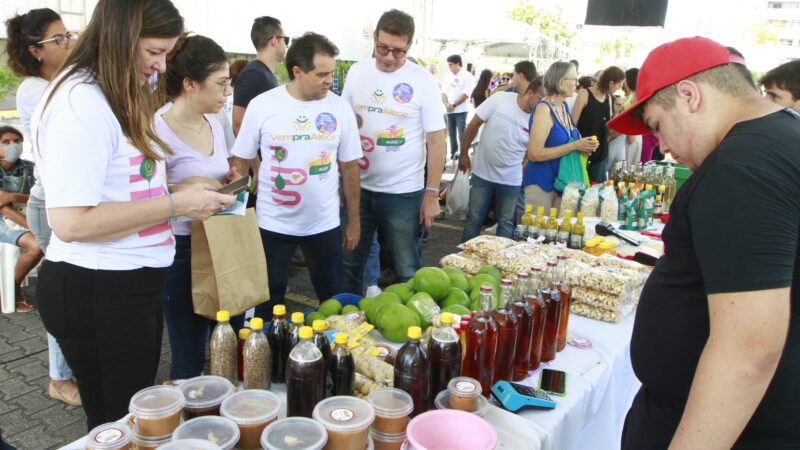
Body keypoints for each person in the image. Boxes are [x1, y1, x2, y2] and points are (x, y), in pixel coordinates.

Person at [33, 0, 234, 429]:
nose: (161, 67)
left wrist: (180, 188)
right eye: (155, 52)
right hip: (98, 289)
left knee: (128, 420)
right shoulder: (81, 102)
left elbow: (121, 185)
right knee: (120, 425)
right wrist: (176, 204)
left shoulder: (114, 90)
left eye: (167, 53)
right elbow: (71, 222)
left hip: (127, 287)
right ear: (122, 36)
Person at [608, 36, 800, 449]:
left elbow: (748, 349)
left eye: (657, 125)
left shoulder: (742, 168)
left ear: (690, 95)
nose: (663, 148)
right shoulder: (778, 139)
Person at [231, 32, 362, 317]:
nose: (330, 80)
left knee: (333, 298)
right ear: (297, 72)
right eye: (322, 74)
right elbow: (240, 161)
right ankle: (265, 355)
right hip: (272, 224)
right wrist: (235, 217)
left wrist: (353, 221)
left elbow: (350, 167)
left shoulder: (339, 109)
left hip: (323, 224)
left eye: (331, 72)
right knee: (267, 300)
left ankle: (333, 355)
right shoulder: (263, 105)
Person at [5, 7, 81, 406]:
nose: (69, 43)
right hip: (51, 203)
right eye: (60, 39)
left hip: (71, 200)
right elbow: (63, 138)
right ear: (36, 50)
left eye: (68, 35)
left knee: (78, 291)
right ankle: (59, 377)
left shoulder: (65, 80)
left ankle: (75, 365)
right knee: (61, 292)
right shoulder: (35, 89)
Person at [341, 9, 446, 294]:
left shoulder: (422, 80)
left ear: (410, 46)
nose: (388, 57)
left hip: (403, 192)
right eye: (382, 48)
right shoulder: (357, 72)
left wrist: (431, 194)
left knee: (406, 268)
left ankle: (408, 332)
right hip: (357, 189)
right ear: (374, 38)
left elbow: (437, 140)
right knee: (350, 263)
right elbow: (343, 125)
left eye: (398, 52)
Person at [157, 35, 237, 379]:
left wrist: (230, 176)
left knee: (226, 339)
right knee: (188, 352)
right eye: (220, 84)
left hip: (220, 239)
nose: (228, 92)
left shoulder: (214, 122)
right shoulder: (156, 128)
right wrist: (184, 188)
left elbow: (220, 168)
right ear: (190, 84)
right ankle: (186, 422)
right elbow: (142, 195)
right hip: (181, 249)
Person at [458, 80, 542, 242]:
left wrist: (523, 164)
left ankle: (500, 263)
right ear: (530, 93)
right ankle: (462, 261)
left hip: (511, 180)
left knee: (505, 223)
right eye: (541, 98)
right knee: (474, 220)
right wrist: (463, 154)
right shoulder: (501, 99)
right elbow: (473, 124)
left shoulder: (538, 118)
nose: (543, 104)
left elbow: (533, 148)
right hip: (483, 174)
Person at [522, 61, 597, 211]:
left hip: (561, 183)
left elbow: (567, 142)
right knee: (538, 232)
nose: (577, 84)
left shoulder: (564, 107)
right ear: (561, 83)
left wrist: (582, 147)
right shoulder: (544, 109)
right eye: (574, 79)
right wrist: (574, 145)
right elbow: (534, 153)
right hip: (542, 183)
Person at [0, 127, 43, 311]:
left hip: (25, 214)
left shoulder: (29, 167)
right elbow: (3, 208)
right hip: (5, 219)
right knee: (37, 245)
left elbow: (42, 197)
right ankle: (14, 289)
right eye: (6, 142)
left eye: (17, 141)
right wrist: (34, 228)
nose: (14, 146)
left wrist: (13, 197)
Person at [232, 16, 287, 135]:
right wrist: (255, 154)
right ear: (274, 40)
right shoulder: (254, 75)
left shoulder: (262, 73)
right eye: (285, 40)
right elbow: (238, 124)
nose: (286, 45)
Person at [572, 65, 625, 182]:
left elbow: (609, 130)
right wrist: (577, 146)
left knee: (594, 192)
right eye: (619, 85)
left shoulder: (609, 98)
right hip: (582, 153)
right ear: (611, 83)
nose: (619, 89)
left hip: (600, 155)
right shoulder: (585, 94)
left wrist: (616, 112)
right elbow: (572, 125)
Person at [442, 54, 474, 160]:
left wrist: (454, 105)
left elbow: (466, 94)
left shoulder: (467, 76)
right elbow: (443, 93)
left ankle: (463, 154)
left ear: (457, 63)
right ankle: (453, 154)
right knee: (451, 134)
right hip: (449, 110)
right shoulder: (448, 77)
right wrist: (447, 105)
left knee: (462, 134)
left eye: (450, 64)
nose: (449, 67)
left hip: (461, 110)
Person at [622, 67, 643, 165]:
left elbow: (634, 118)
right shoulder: (633, 95)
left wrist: (630, 136)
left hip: (632, 136)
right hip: (632, 135)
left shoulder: (635, 96)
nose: (623, 83)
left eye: (625, 80)